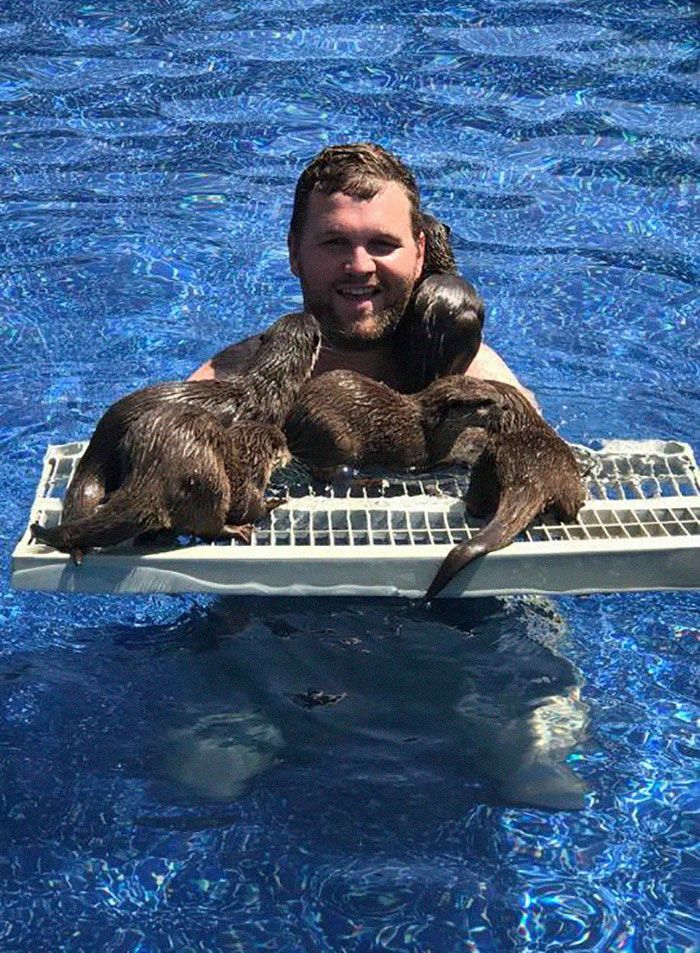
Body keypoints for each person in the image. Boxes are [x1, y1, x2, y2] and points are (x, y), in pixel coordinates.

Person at [189, 142, 535, 404]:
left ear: (420, 254)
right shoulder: (228, 389)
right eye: (335, 242)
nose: (359, 266)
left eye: (383, 244)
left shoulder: (478, 386)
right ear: (294, 253)